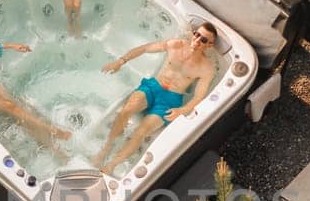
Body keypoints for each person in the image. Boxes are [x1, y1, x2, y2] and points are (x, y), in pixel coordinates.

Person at [94, 21, 219, 173]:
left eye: (203, 40)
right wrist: (121, 61)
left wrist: (182, 110)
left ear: (210, 45)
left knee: (141, 132)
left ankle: (111, 165)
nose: (197, 40)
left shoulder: (206, 68)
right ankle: (106, 149)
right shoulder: (176, 45)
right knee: (126, 111)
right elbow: (145, 48)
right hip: (153, 87)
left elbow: (199, 96)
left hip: (170, 101)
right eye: (197, 34)